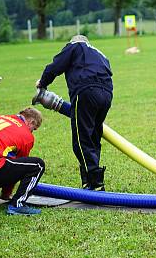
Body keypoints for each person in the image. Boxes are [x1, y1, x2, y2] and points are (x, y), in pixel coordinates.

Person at [36, 34, 113, 190]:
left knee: (81, 139)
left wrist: (42, 83)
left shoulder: (75, 46)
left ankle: (96, 183)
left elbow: (54, 67)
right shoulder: (100, 54)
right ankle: (88, 183)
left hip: (85, 91)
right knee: (93, 137)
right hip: (107, 95)